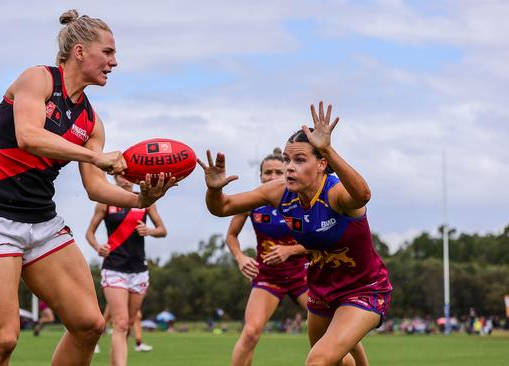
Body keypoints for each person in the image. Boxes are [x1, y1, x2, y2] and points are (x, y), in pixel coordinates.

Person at [0, 9, 175, 366]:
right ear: (79, 51)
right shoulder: (38, 79)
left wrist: (141, 198)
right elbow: (28, 136)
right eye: (107, 52)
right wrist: (95, 158)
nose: (114, 62)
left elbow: (96, 189)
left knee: (89, 325)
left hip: (42, 223)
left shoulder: (91, 121)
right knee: (4, 340)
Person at [199, 101, 392, 366]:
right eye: (288, 159)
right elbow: (223, 208)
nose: (289, 167)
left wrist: (328, 148)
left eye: (300, 160)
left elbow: (363, 195)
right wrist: (214, 190)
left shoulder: (335, 194)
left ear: (322, 164)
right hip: (321, 290)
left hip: (363, 289)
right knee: (333, 359)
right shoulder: (279, 192)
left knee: (318, 360)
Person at [225, 148, 309, 366]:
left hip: (303, 275)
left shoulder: (302, 200)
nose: (272, 177)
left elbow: (323, 240)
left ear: (287, 173)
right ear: (260, 175)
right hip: (268, 277)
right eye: (267, 173)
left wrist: (291, 250)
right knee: (251, 333)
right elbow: (231, 236)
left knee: (327, 330)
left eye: (277, 173)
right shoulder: (253, 201)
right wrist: (240, 257)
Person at [86, 174, 166, 365]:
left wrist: (150, 231)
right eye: (120, 175)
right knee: (120, 324)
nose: (125, 179)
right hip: (114, 268)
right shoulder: (105, 202)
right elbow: (89, 233)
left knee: (128, 325)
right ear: (114, 178)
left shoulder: (146, 200)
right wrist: (98, 247)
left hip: (139, 270)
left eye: (128, 175)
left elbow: (162, 230)